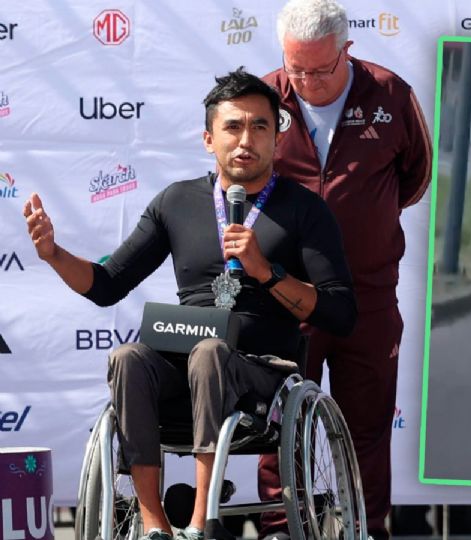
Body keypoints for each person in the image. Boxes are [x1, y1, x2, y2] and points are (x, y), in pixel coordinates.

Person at [22, 68, 357, 540]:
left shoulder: (305, 210)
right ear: (208, 138)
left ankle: (202, 521)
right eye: (233, 127)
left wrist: (267, 272)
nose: (247, 140)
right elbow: (106, 284)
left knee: (209, 354)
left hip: (262, 374)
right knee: (128, 358)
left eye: (261, 126)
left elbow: (341, 314)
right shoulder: (176, 203)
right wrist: (54, 254)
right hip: (181, 372)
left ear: (277, 139)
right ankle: (155, 522)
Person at [256, 1, 432, 538]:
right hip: (287, 295)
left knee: (368, 429)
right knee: (279, 425)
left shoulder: (390, 94)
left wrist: (363, 220)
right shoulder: (263, 98)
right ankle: (280, 528)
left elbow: (415, 177)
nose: (305, 80)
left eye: (319, 69)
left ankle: (365, 526)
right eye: (295, 67)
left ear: (346, 51)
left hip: (368, 296)